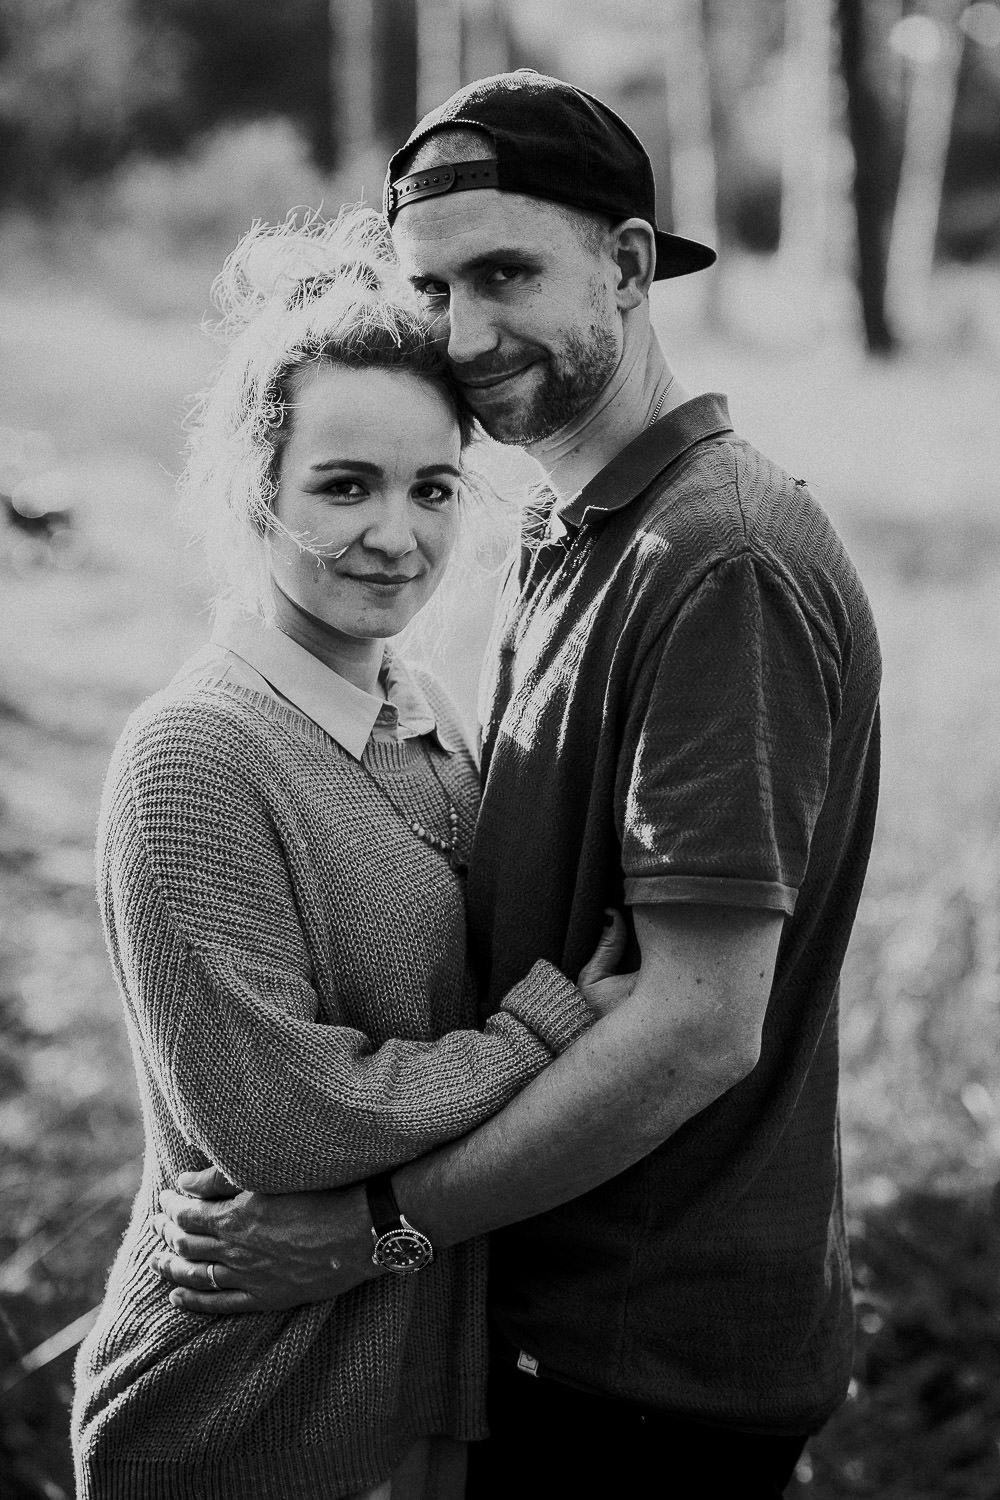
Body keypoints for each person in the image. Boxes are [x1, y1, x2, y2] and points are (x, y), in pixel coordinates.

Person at [152, 73, 882, 1498]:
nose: (464, 337)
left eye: (505, 273)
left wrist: (376, 1230)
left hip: (644, 1368)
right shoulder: (570, 528)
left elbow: (693, 1028)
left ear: (625, 262)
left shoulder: (716, 557)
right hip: (538, 1328)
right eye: (431, 288)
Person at [70, 206, 629, 1500]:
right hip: (235, 1417)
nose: (398, 535)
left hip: (414, 1399)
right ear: (252, 487)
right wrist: (555, 1033)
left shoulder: (433, 719)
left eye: (433, 488)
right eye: (344, 484)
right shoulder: (198, 758)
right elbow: (290, 1122)